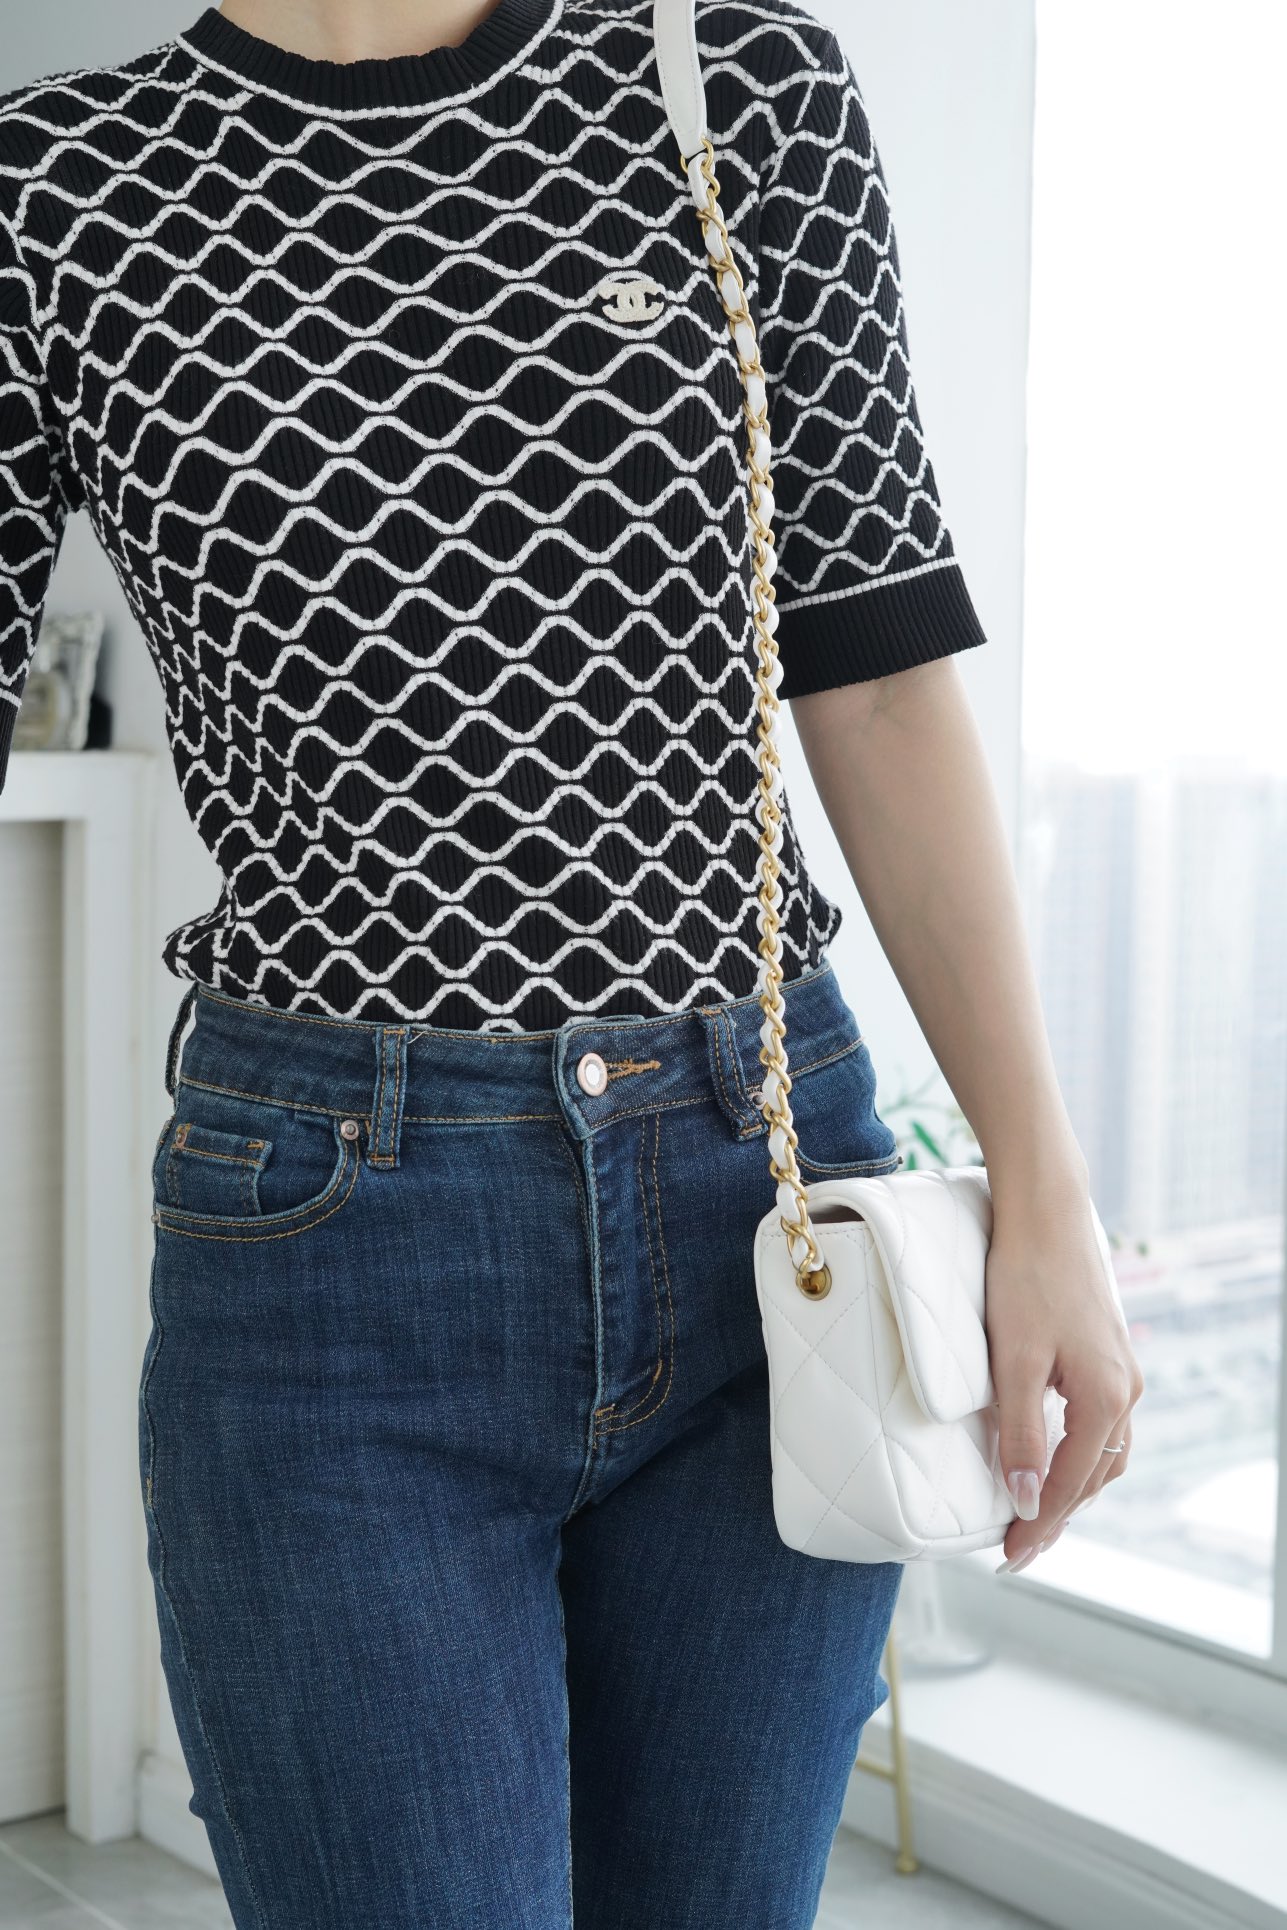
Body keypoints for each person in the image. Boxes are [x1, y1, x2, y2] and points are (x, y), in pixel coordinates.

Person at [0, 0, 1143, 1923]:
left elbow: (875, 678)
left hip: (769, 1202)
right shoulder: (55, 193)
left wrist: (1046, 1188)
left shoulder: (738, 83)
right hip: (331, 1259)